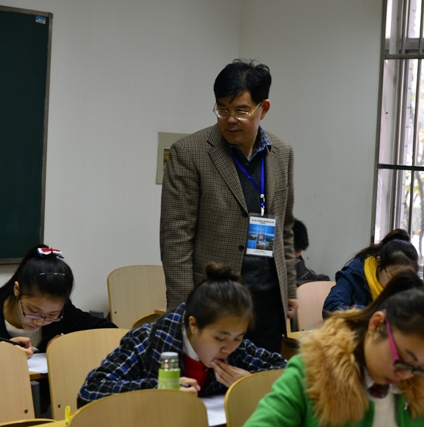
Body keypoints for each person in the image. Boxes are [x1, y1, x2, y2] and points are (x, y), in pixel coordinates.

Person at [160, 59, 297, 353]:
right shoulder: (190, 153)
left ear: (263, 108)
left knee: (262, 377)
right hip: (214, 302)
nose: (230, 119)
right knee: (213, 378)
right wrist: (182, 308)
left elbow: (285, 227)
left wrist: (289, 289)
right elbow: (176, 239)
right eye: (222, 109)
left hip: (267, 301)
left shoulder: (282, 153)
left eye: (241, 111)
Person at [244, 269, 424, 427]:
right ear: (377, 324)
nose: (406, 375)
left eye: (421, 367)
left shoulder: (420, 381)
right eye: (402, 360)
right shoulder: (316, 371)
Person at [77, 263, 287, 407]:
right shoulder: (146, 341)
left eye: (238, 337)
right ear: (193, 325)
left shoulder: (236, 347)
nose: (229, 348)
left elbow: (287, 373)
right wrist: (156, 391)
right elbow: (90, 392)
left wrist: (250, 382)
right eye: (219, 338)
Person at [0, 245, 116, 359]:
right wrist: (3, 351)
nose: (40, 322)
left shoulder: (64, 312)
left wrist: (70, 342)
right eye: (33, 311)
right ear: (17, 289)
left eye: (52, 315)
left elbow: (111, 332)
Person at [322, 229, 418, 317]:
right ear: (378, 262)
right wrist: (375, 311)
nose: (398, 286)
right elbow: (330, 308)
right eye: (393, 277)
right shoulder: (354, 274)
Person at [292, 219, 330, 286]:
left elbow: (323, 280)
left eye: (296, 259)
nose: (294, 261)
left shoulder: (298, 264)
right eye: (291, 257)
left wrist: (299, 285)